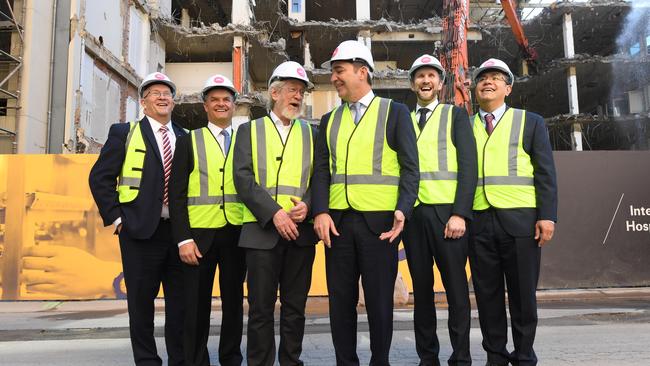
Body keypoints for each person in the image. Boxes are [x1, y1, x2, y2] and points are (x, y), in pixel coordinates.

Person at [312, 40, 419, 366]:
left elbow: (411, 169)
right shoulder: (329, 119)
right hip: (338, 225)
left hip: (380, 226)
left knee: (378, 303)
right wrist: (320, 211)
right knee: (340, 303)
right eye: (333, 72)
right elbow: (321, 171)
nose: (335, 78)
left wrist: (403, 207)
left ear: (362, 71)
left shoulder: (394, 112)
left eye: (339, 71)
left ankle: (379, 362)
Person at [89, 72, 186, 366]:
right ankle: (147, 361)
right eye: (154, 93)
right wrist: (118, 219)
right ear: (143, 103)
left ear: (173, 101)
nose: (162, 96)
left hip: (178, 234)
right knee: (141, 306)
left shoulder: (185, 137)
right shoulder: (124, 133)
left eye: (167, 92)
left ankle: (179, 360)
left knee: (180, 306)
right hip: (140, 233)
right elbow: (100, 178)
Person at [468, 58, 557, 366]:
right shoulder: (465, 125)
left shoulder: (529, 121)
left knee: (522, 296)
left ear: (508, 87)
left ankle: (523, 356)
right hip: (478, 221)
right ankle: (495, 356)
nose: (487, 82)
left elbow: (545, 172)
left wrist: (547, 216)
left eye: (495, 78)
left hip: (521, 223)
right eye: (482, 78)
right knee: (487, 296)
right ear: (474, 88)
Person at [233, 61, 318, 366]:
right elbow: (242, 178)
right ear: (274, 92)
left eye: (301, 92)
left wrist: (308, 205)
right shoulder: (249, 130)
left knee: (295, 308)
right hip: (262, 234)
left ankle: (291, 361)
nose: (298, 96)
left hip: (300, 234)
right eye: (293, 90)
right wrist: (275, 214)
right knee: (260, 309)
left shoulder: (312, 133)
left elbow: (320, 178)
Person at [402, 54, 477, 366]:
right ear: (412, 84)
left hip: (447, 216)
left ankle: (461, 358)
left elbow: (469, 167)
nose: (426, 81)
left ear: (441, 83)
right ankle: (427, 357)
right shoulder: (402, 119)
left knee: (456, 289)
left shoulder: (454, 116)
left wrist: (460, 213)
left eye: (432, 76)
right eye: (420, 76)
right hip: (414, 216)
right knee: (422, 291)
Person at [168, 74, 246, 366]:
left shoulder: (245, 140)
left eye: (226, 99)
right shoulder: (188, 141)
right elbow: (176, 194)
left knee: (234, 303)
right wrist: (183, 238)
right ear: (205, 106)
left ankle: (231, 358)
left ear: (234, 105)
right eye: (215, 99)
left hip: (236, 233)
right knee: (196, 305)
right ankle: (195, 360)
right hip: (199, 236)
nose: (221, 104)